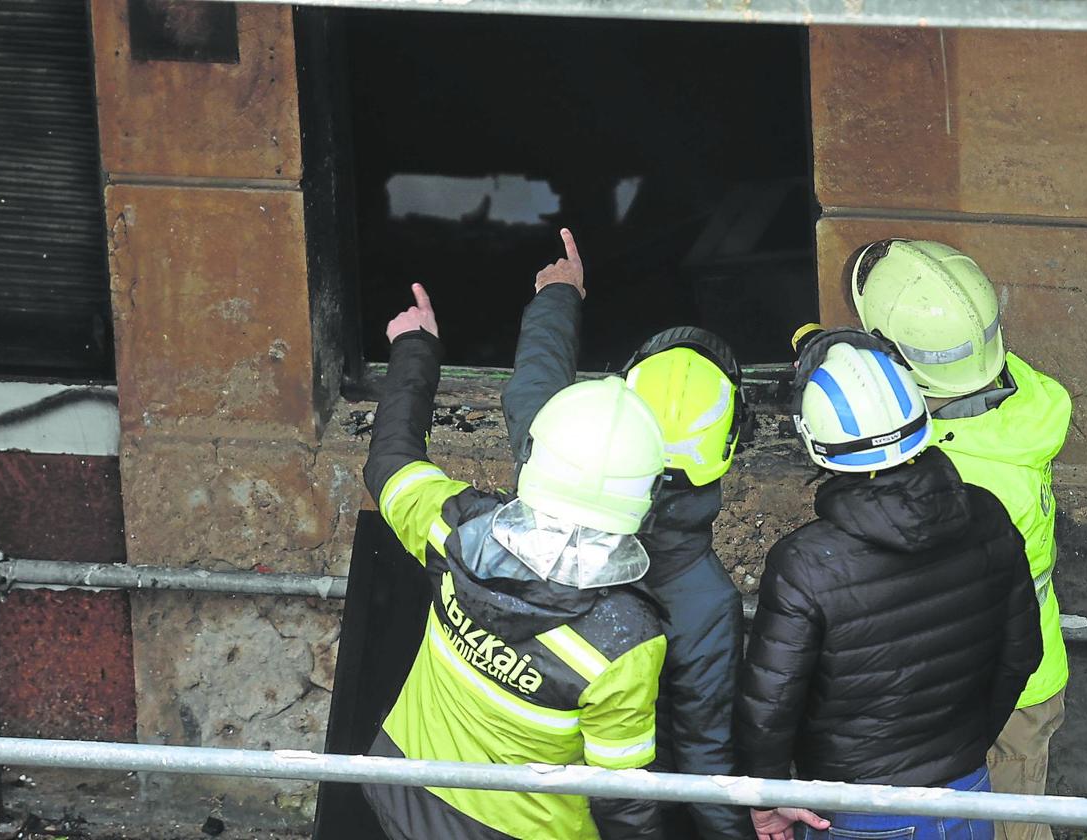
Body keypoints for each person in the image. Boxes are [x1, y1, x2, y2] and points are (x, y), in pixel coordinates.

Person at [362, 283, 669, 840]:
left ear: (535, 456)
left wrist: (414, 348)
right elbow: (622, 799)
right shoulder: (626, 642)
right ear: (647, 496)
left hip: (405, 794)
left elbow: (390, 464)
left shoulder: (455, 528)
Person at [737, 328, 1042, 840]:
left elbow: (771, 704)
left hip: (857, 808)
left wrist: (767, 798)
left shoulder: (805, 563)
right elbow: (1021, 653)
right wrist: (963, 752)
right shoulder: (988, 515)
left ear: (817, 444)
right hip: (967, 792)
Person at [501, 229, 749, 839]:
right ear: (728, 446)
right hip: (628, 808)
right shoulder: (707, 599)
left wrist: (559, 297)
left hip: (517, 779)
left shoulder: (553, 465)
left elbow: (534, 388)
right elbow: (704, 756)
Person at [849, 239, 1072, 840]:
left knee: (1009, 831)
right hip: (1025, 671)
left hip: (998, 692)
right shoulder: (1021, 401)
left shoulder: (959, 477)